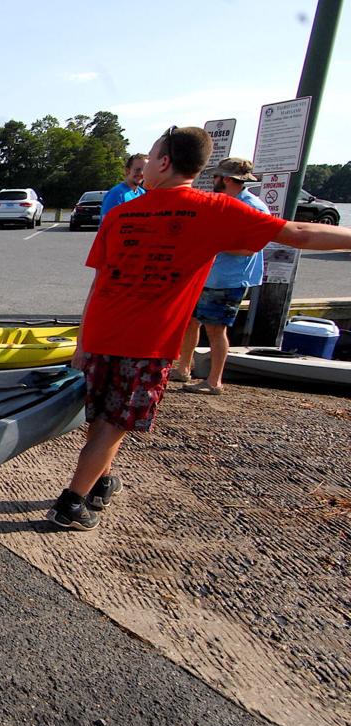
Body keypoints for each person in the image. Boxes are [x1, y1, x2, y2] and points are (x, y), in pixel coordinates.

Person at [50, 126, 351, 531]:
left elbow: (99, 282)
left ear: (164, 162)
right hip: (148, 342)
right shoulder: (213, 209)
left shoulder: (121, 213)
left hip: (103, 334)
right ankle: (71, 501)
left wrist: (83, 341)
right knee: (114, 423)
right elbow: (299, 233)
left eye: (151, 156)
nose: (143, 170)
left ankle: (101, 480)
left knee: (104, 417)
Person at [170, 157, 270, 394]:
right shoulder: (222, 201)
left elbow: (251, 248)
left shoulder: (252, 208)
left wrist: (209, 246)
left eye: (216, 177)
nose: (213, 180)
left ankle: (214, 381)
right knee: (190, 321)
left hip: (229, 279)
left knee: (215, 328)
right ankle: (184, 368)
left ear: (225, 179)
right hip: (206, 275)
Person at [99, 153, 148, 221]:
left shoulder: (142, 193)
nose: (141, 173)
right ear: (127, 171)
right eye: (137, 169)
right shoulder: (116, 194)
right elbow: (107, 224)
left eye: (145, 170)